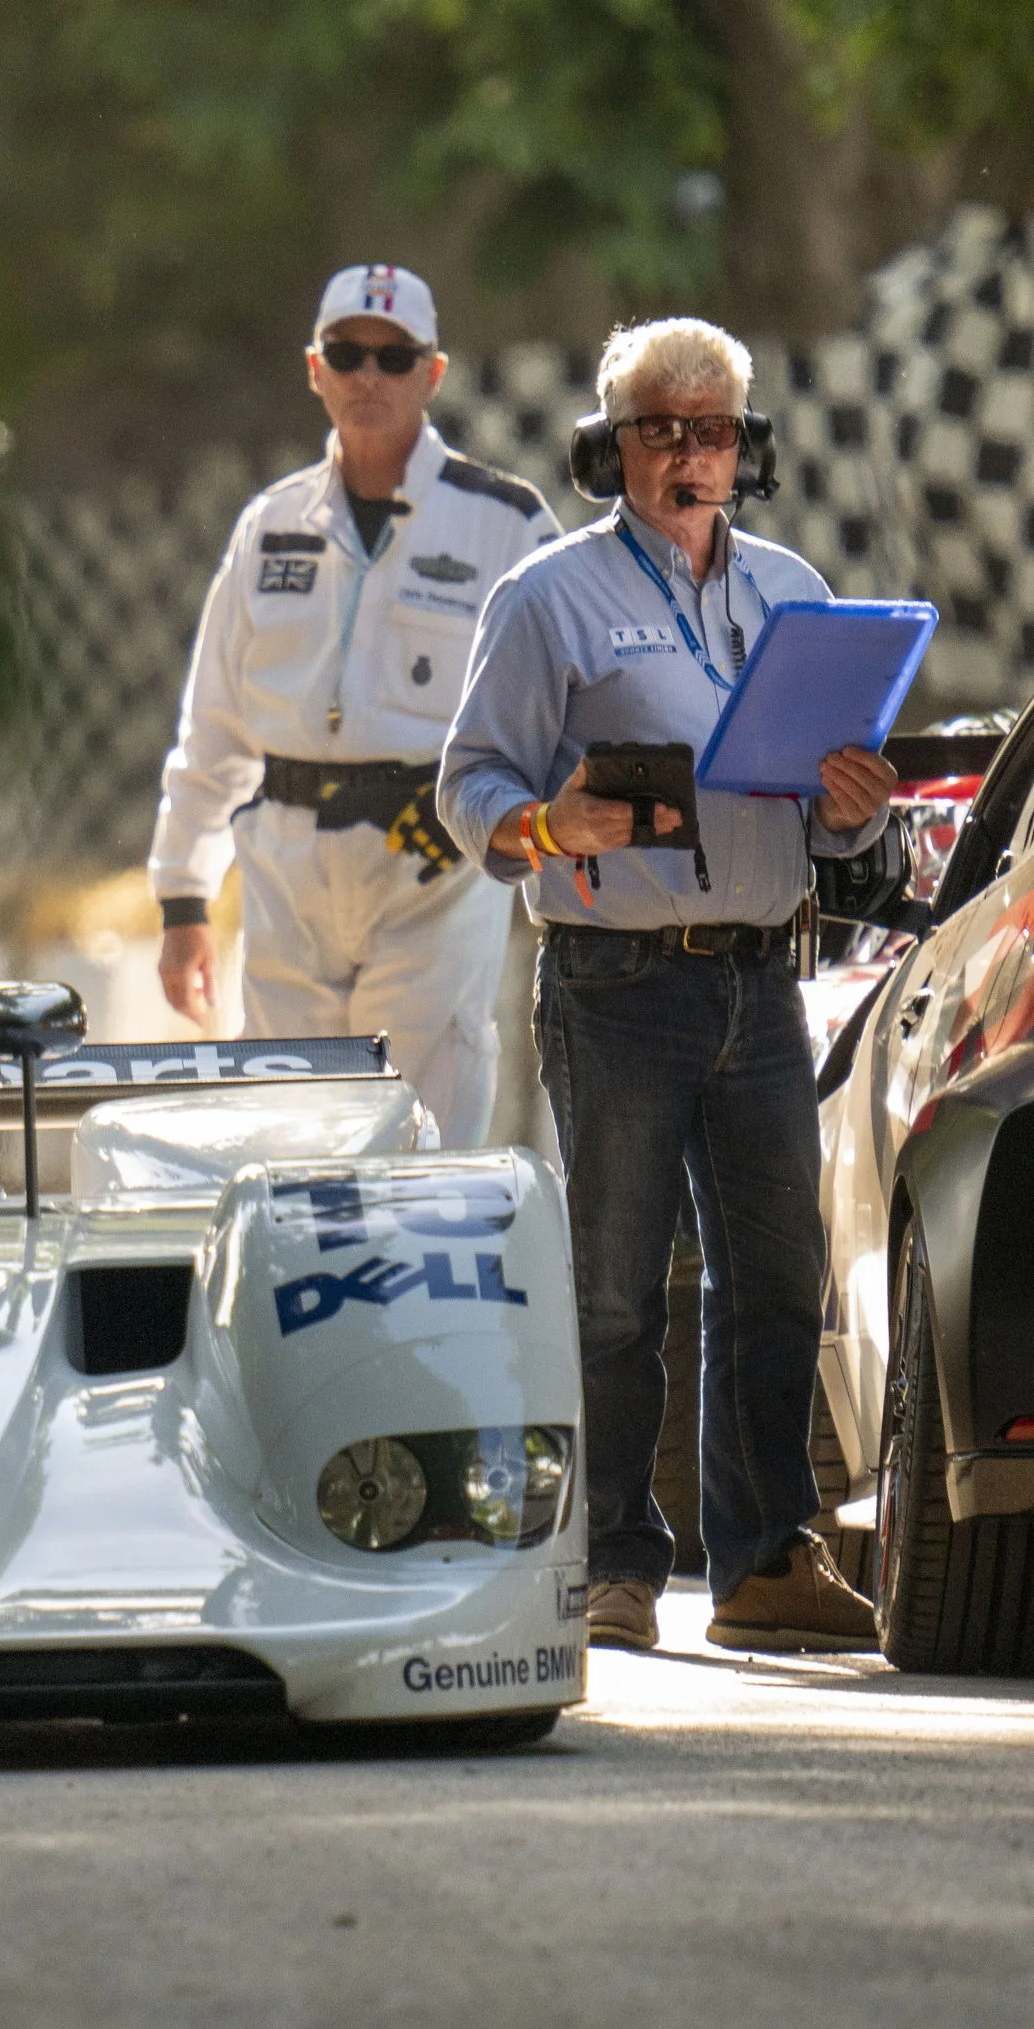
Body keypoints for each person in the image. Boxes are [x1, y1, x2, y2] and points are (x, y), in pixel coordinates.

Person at [437, 316, 898, 1654]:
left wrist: (855, 809)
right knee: (616, 1289)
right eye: (659, 427)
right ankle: (617, 1561)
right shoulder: (547, 598)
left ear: (744, 447)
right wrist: (548, 829)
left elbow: (830, 823)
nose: (686, 452)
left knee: (775, 1277)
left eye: (710, 429)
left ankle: (760, 1561)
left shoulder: (797, 595)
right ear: (610, 445)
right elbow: (469, 787)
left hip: (761, 977)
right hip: (616, 980)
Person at [150, 263, 559, 1147]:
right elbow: (214, 724)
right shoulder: (271, 524)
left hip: (431, 864)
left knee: (422, 1130)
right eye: (348, 353)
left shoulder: (505, 522)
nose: (369, 375)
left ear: (433, 373)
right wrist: (184, 897)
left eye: (393, 355)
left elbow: (560, 702)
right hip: (287, 868)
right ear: (315, 369)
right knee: (287, 1131)